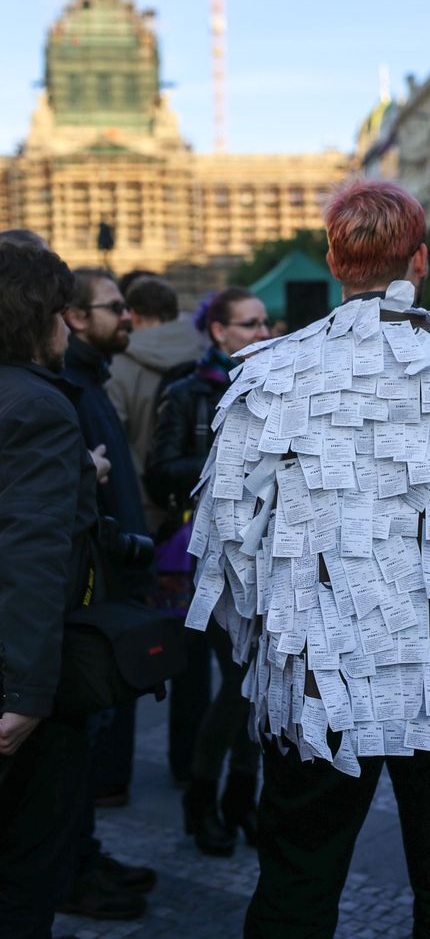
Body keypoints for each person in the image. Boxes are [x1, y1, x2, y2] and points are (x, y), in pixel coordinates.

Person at [186, 180, 430, 938]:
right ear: (421, 260)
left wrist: (266, 646)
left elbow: (228, 540)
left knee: (297, 882)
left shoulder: (268, 376)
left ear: (335, 261)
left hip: (318, 673)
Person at [146, 287, 269, 849]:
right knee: (238, 684)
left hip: (265, 552)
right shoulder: (187, 391)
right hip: (208, 556)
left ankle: (241, 802)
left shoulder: (274, 386)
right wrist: (227, 461)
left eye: (266, 323)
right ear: (218, 331)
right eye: (249, 325)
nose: (262, 334)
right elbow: (161, 472)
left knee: (260, 682)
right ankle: (204, 804)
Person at [0, 231, 96, 938]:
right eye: (62, 311)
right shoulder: (38, 406)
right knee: (25, 874)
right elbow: (32, 554)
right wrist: (27, 694)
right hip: (19, 682)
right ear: (35, 315)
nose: (71, 325)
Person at [62, 268, 156, 920]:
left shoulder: (90, 376)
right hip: (84, 590)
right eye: (114, 306)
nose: (127, 315)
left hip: (109, 578)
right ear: (73, 315)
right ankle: (71, 872)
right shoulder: (65, 383)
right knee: (72, 752)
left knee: (85, 747)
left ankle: (82, 857)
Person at [106, 274, 204, 534]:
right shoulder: (208, 354)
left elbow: (115, 435)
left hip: (142, 506)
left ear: (133, 314)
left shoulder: (117, 363)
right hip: (202, 498)